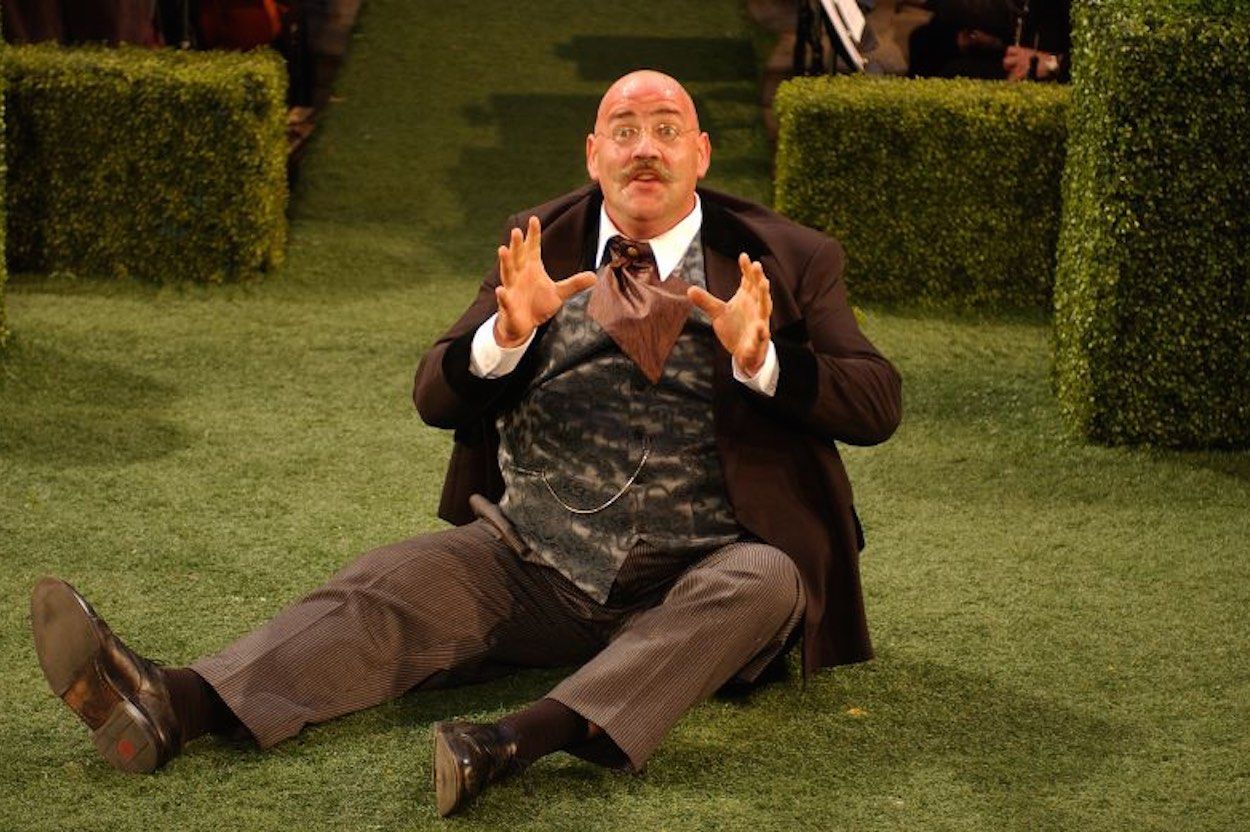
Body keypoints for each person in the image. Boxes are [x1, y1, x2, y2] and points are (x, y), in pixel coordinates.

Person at [30, 70, 902, 817]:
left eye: (667, 130)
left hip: (707, 569)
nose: (646, 148)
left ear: (701, 154)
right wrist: (506, 336)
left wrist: (764, 361)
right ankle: (174, 704)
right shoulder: (538, 242)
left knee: (767, 579)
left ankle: (514, 741)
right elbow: (433, 394)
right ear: (592, 154)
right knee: (389, 583)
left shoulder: (786, 259)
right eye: (625, 129)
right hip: (536, 564)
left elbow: (877, 402)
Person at [908, 0, 1071, 82]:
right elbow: (1010, 15)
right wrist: (997, 44)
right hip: (1019, 62)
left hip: (1057, 76)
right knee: (928, 42)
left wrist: (1052, 63)